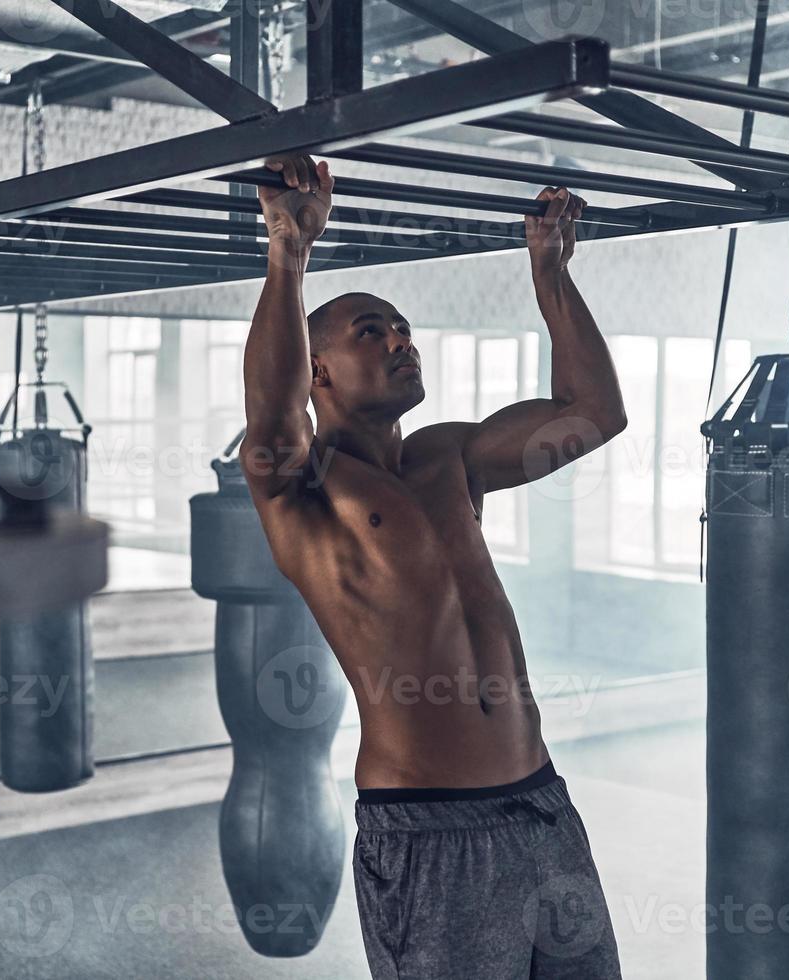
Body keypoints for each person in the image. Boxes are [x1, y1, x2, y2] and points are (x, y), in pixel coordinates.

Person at [241, 153, 627, 979]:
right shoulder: (303, 488)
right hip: (429, 828)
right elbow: (272, 417)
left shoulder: (452, 455)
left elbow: (594, 415)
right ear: (319, 372)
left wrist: (550, 274)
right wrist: (289, 255)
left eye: (403, 327)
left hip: (542, 807)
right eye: (370, 332)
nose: (399, 340)